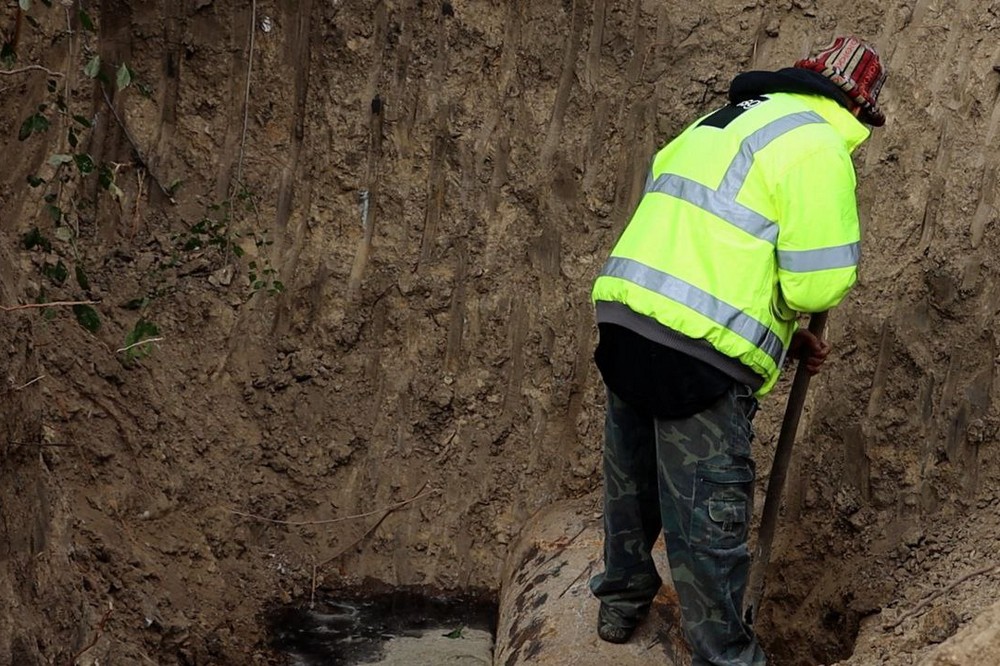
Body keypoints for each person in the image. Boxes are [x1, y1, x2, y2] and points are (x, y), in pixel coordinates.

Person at [587, 36, 888, 665]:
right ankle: (727, 655)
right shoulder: (818, 144)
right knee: (707, 518)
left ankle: (620, 602)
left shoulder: (716, 124)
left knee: (630, 482)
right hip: (695, 356)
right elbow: (817, 284)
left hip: (624, 319)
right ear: (857, 108)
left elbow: (699, 246)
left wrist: (774, 335)